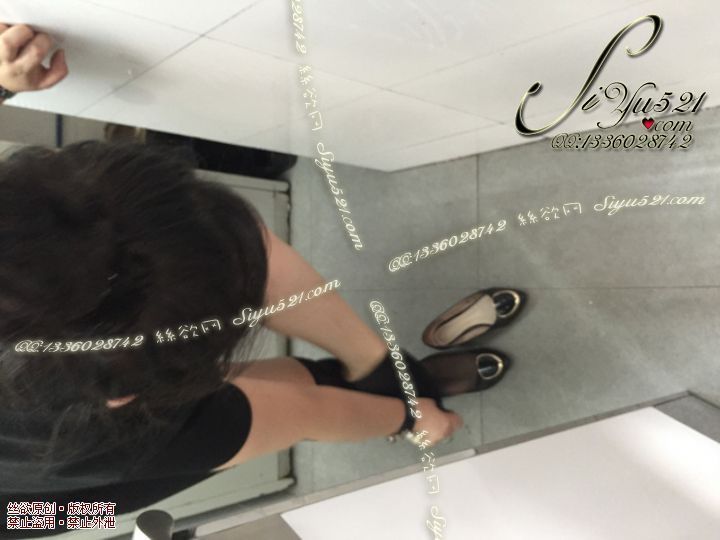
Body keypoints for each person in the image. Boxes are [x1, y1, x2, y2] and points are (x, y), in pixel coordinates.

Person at [0, 23, 465, 536]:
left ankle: (373, 374)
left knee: (195, 263)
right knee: (271, 408)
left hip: (73, 393)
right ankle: (394, 401)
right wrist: (410, 420)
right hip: (29, 507)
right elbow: (303, 413)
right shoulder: (106, 438)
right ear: (124, 395)